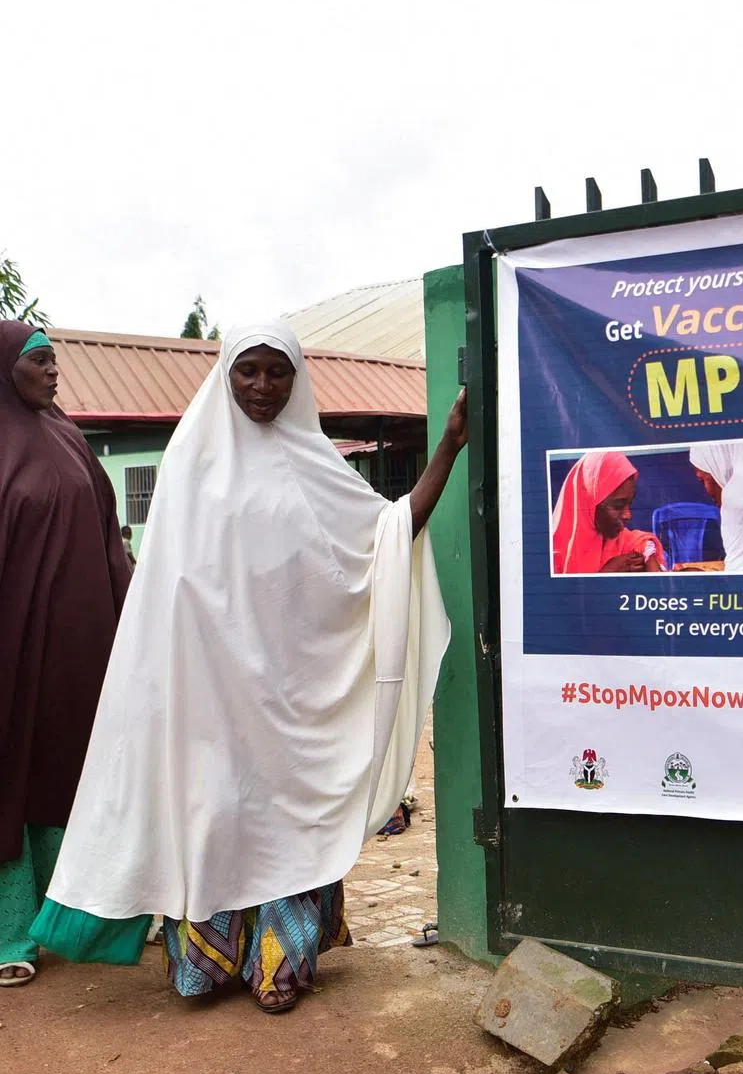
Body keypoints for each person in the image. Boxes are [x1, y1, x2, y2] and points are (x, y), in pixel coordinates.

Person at [31, 320, 459, 1014]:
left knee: (284, 821)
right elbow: (165, 591)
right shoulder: (190, 462)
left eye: (277, 372)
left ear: (297, 379)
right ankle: (205, 957)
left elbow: (386, 536)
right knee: (215, 816)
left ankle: (281, 962)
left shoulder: (316, 465)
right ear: (225, 376)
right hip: (207, 692)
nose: (262, 387)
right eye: (248, 371)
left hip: (292, 695)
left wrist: (448, 447)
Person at [0, 321, 132, 986]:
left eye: (55, 362)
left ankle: (80, 919)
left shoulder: (68, 434)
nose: (55, 373)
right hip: (8, 650)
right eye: (41, 361)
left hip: (78, 648)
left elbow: (108, 531)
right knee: (9, 782)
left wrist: (134, 603)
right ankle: (10, 935)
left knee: (74, 771)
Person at [552, 451, 664, 574]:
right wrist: (607, 573)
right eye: (618, 506)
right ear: (589, 503)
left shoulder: (622, 542)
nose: (628, 515)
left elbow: (640, 541)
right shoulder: (552, 557)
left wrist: (649, 555)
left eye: (630, 504)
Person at [689, 441, 743, 572]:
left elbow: (740, 573)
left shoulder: (737, 495)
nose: (707, 492)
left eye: (703, 480)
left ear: (718, 462)